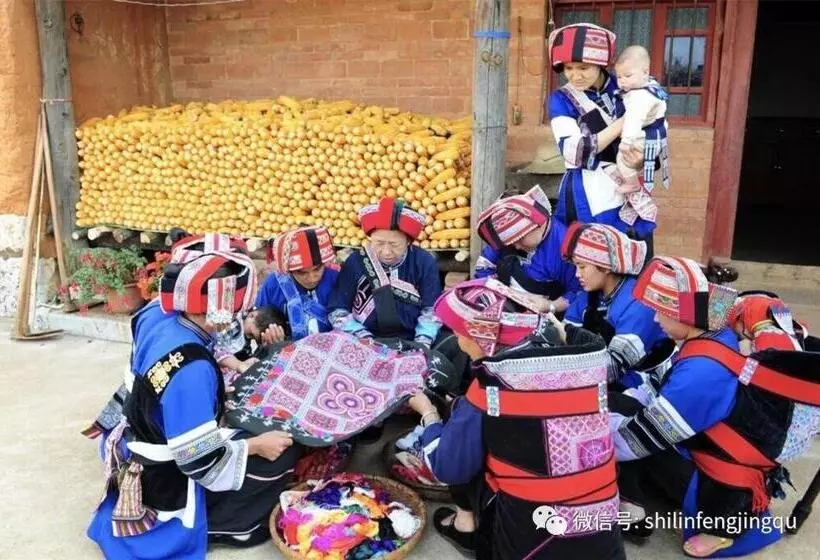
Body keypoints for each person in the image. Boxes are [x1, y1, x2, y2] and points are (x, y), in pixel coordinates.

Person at [87, 234, 300, 558]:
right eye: (239, 311)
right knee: (280, 454)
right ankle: (222, 524)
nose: (242, 317)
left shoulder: (157, 311)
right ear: (219, 311)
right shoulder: (192, 372)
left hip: (137, 427)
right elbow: (199, 460)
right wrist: (256, 445)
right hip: (164, 471)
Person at [611, 256, 820, 558]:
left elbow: (639, 439)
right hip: (714, 433)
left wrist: (591, 440)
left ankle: (724, 527)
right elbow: (662, 381)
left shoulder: (700, 375)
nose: (655, 320)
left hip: (721, 472)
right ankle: (633, 499)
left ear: (684, 313)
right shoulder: (714, 322)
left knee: (620, 438)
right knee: (619, 404)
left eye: (661, 312)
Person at [406, 277, 625, 560]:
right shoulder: (582, 362)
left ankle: (467, 525)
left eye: (458, 332)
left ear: (480, 338)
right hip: (603, 526)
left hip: (534, 535)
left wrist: (429, 414)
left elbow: (448, 468)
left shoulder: (490, 391)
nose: (457, 341)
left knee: (458, 440)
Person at [547, 23, 656, 250]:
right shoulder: (561, 99)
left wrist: (644, 160)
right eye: (568, 68)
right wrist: (626, 120)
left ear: (599, 63)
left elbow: (655, 133)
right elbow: (575, 152)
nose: (575, 76)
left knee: (636, 256)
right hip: (587, 192)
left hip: (631, 189)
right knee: (592, 260)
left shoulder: (629, 83)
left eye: (583, 67)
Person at [560, 222, 669, 389]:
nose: (577, 274)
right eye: (575, 266)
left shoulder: (638, 304)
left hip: (644, 386)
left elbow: (612, 368)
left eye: (582, 267)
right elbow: (563, 335)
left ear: (605, 267)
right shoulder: (586, 298)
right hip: (602, 378)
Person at [328, 197, 442, 346]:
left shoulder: (424, 262)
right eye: (379, 243)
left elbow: (432, 309)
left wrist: (421, 344)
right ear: (370, 239)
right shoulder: (356, 262)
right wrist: (364, 339)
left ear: (408, 242)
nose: (386, 252)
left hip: (412, 338)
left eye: (395, 244)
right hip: (363, 340)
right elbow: (337, 310)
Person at [474, 185, 581, 313]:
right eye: (512, 241)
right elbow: (484, 267)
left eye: (520, 239)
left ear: (535, 224)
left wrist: (550, 306)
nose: (516, 246)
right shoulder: (504, 234)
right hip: (502, 304)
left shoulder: (564, 246)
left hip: (544, 313)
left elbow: (577, 292)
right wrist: (495, 298)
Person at [612, 45, 670, 227]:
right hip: (655, 132)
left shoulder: (639, 97)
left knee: (623, 159)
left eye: (628, 76)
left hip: (643, 135)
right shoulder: (648, 86)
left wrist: (626, 142)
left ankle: (633, 185)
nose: (622, 82)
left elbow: (633, 122)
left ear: (645, 72)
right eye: (619, 77)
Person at [255, 225, 339, 344]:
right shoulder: (274, 285)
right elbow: (258, 323)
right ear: (288, 271)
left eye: (317, 269)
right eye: (302, 273)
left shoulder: (337, 277)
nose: (311, 278)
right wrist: (269, 338)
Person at [214, 306, 289, 387]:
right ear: (251, 316)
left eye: (253, 338)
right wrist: (239, 365)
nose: (249, 338)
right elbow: (217, 350)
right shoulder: (234, 324)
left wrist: (265, 349)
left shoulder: (245, 339)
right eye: (251, 334)